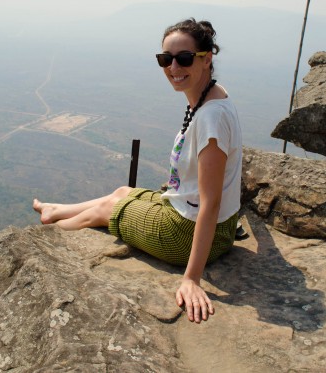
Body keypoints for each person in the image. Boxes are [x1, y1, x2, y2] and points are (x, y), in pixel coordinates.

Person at [33, 18, 243, 324]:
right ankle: (57, 210)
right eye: (165, 59)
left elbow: (210, 203)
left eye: (184, 58)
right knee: (122, 192)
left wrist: (191, 280)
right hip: (193, 214)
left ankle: (46, 236)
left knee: (108, 208)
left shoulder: (210, 116)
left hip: (186, 233)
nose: (173, 68)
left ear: (206, 58)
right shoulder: (210, 94)